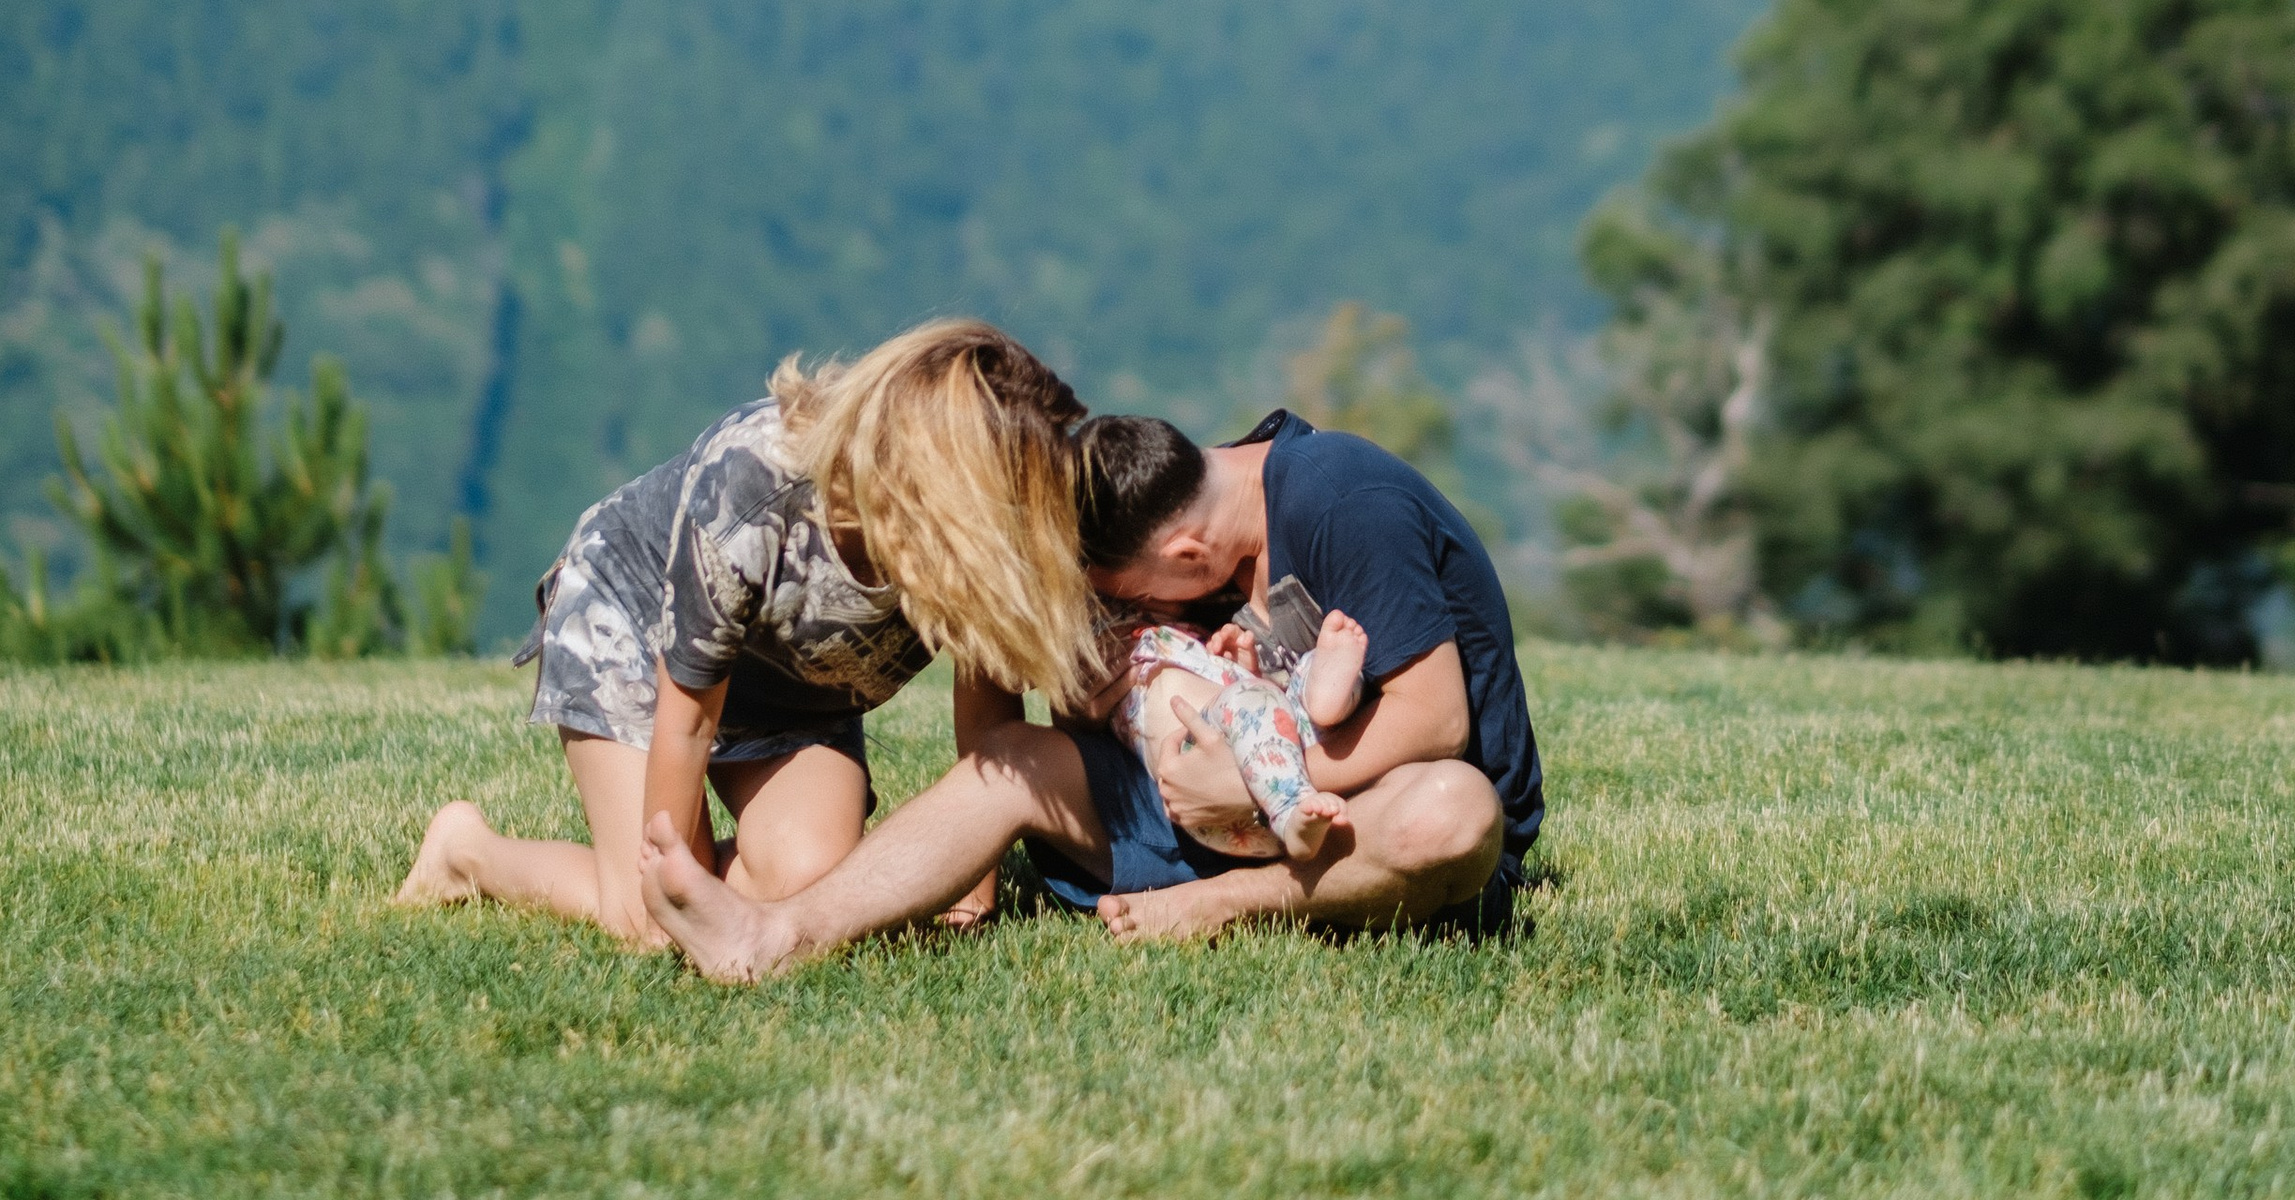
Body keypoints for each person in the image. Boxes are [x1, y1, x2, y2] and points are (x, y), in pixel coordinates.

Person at [636, 402, 1536, 976]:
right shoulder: (1175, 507)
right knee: (1012, 759)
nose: (1133, 611)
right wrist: (1098, 695)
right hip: (1200, 808)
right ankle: (774, 937)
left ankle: (1224, 905)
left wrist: (1255, 781)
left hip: (1361, 826)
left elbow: (1437, 719)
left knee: (1451, 813)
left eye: (1132, 594)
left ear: (1185, 553)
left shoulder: (1341, 498)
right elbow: (1067, 699)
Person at [395, 319, 1096, 942]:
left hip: (793, 690)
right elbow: (688, 723)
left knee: (806, 883)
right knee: (651, 923)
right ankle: (467, 853)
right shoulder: (752, 488)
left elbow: (988, 713)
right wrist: (676, 889)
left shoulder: (985, 537)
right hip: (634, 627)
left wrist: (970, 879)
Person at [1114, 601, 1369, 861]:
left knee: (1301, 675)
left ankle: (1321, 702)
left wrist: (1243, 671)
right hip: (1202, 789)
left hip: (1270, 753)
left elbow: (1255, 714)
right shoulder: (1116, 651)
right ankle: (1289, 809)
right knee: (1252, 698)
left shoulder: (1181, 630)